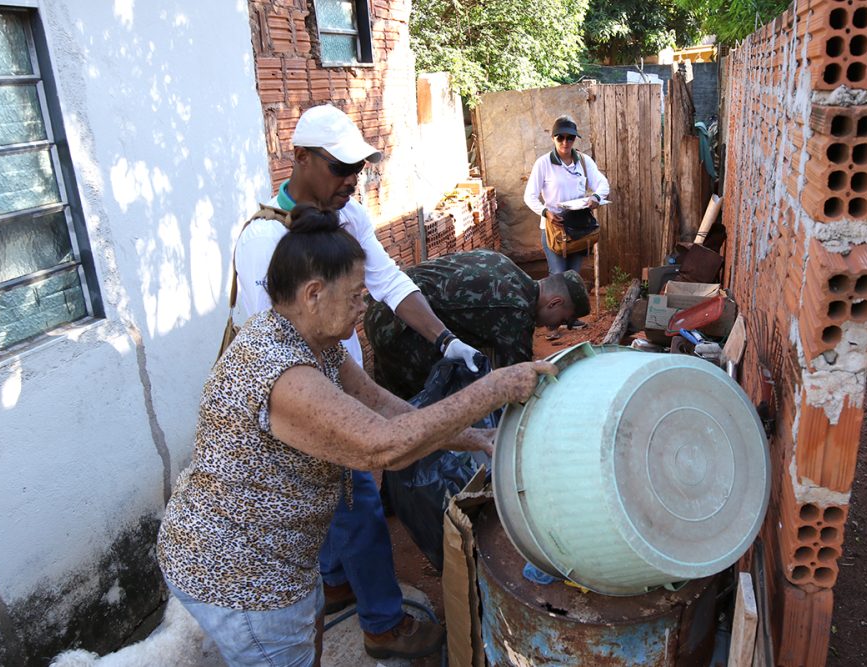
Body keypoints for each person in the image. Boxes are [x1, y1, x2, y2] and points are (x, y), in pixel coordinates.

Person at [158, 206, 557, 666]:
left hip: (280, 558)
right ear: (313, 294)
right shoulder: (281, 373)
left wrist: (476, 437)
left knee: (307, 637)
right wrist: (493, 389)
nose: (364, 307)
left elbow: (382, 404)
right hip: (241, 572)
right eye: (355, 296)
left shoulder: (309, 342)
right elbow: (382, 445)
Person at [233, 104, 483, 659]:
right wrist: (475, 410)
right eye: (341, 167)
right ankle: (382, 623)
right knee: (357, 497)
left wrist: (446, 341)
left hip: (335, 375)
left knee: (334, 494)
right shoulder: (262, 241)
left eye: (359, 169)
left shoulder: (347, 216)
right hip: (299, 396)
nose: (352, 180)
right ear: (300, 158)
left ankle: (338, 581)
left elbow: (388, 281)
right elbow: (277, 350)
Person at [364, 249, 590, 399]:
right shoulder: (515, 313)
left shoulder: (505, 265)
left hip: (387, 303)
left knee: (394, 403)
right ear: (555, 302)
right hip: (400, 325)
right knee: (423, 408)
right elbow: (516, 383)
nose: (553, 328)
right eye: (561, 320)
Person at [523, 115, 610, 330]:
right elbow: (529, 196)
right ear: (553, 138)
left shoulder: (583, 160)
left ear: (574, 139)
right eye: (560, 137)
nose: (565, 142)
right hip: (555, 227)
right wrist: (545, 212)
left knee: (572, 276)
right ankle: (551, 323)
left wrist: (596, 198)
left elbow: (603, 183)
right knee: (557, 276)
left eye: (570, 138)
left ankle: (570, 319)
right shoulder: (544, 163)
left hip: (579, 227)